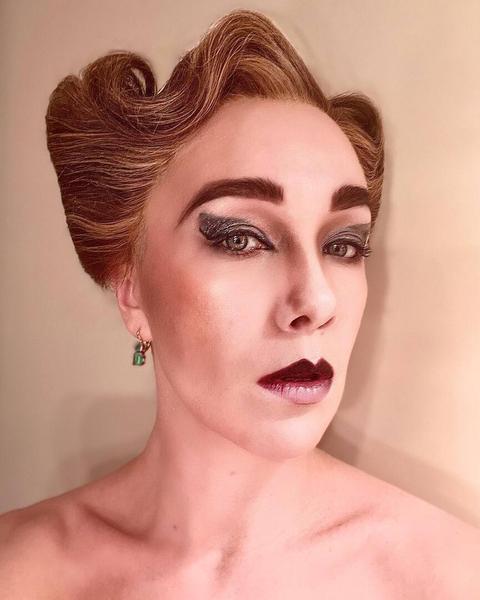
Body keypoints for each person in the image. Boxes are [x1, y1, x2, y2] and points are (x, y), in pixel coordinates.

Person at [1, 8, 479, 598]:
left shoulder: (450, 578)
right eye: (240, 239)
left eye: (343, 244)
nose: (317, 300)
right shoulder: (18, 571)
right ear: (131, 289)